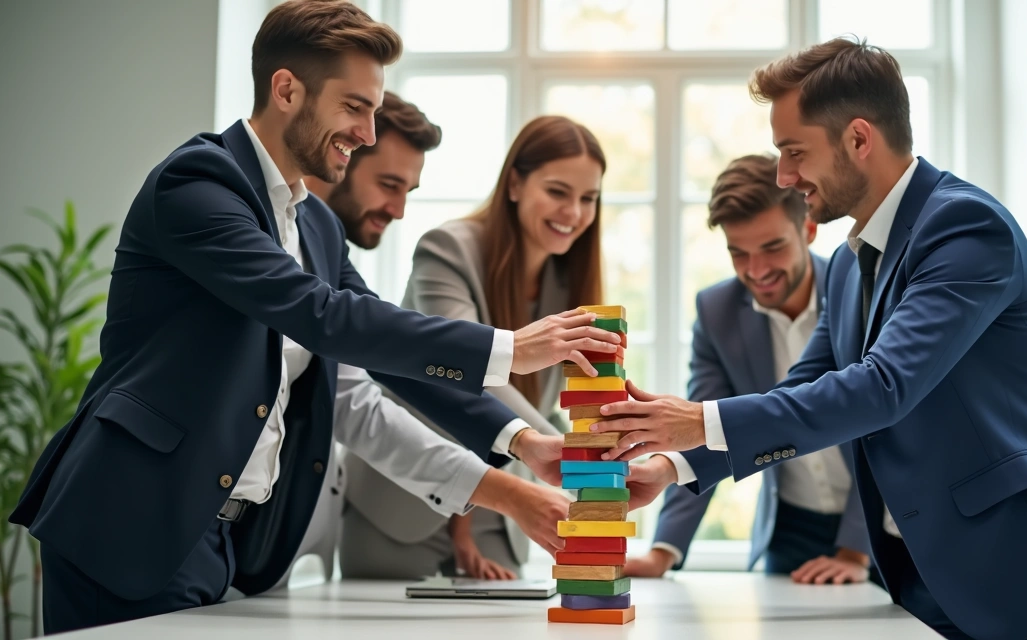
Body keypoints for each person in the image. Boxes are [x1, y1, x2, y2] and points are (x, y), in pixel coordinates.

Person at [9, 2, 614, 633]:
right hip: (132, 518)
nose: (369, 132)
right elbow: (322, 316)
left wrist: (522, 442)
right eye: (354, 107)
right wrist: (510, 348)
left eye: (374, 110)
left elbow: (376, 343)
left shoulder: (318, 226)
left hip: (222, 537)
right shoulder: (196, 184)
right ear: (287, 90)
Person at [606, 37, 1027, 639]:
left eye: (794, 152)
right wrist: (676, 464)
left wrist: (698, 419)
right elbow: (807, 384)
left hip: (1011, 570)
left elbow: (883, 387)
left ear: (858, 139)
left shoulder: (964, 227)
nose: (784, 174)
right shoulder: (851, 259)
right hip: (924, 576)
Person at [337, 114, 607, 580]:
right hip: (404, 505)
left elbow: (553, 401)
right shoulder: (447, 249)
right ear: (515, 184)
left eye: (589, 198)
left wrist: (609, 444)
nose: (574, 213)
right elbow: (470, 369)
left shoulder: (570, 280)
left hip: (498, 517)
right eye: (558, 192)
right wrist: (573, 455)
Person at [625, 154, 872, 586]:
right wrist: (663, 551)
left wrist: (855, 549)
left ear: (809, 229)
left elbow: (885, 426)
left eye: (772, 247)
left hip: (882, 521)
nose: (756, 271)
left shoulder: (860, 290)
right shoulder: (716, 312)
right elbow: (705, 425)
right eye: (739, 253)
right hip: (791, 529)